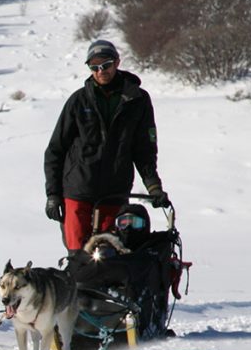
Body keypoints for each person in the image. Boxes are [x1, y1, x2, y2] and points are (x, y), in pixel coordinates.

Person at [43, 39, 170, 251]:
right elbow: (56, 150)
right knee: (78, 258)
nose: (101, 71)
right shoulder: (78, 101)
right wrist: (53, 195)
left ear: (117, 63)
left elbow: (144, 150)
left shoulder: (137, 100)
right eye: (94, 67)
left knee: (110, 255)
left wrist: (154, 186)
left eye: (106, 65)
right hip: (78, 190)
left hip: (115, 190)